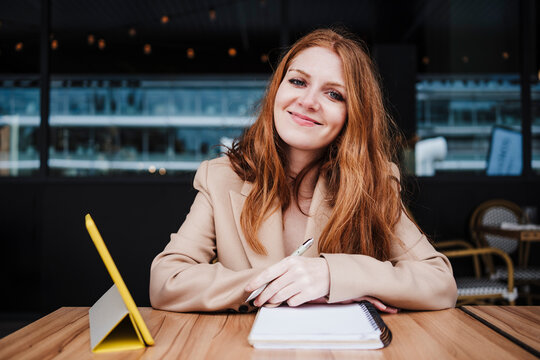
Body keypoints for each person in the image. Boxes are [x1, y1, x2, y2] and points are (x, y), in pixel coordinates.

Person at [150, 28, 457, 313]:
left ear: (354, 115)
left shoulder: (374, 182)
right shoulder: (220, 177)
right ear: (277, 90)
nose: (308, 101)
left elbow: (440, 283)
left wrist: (331, 274)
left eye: (334, 94)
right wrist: (281, 283)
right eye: (298, 81)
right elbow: (167, 281)